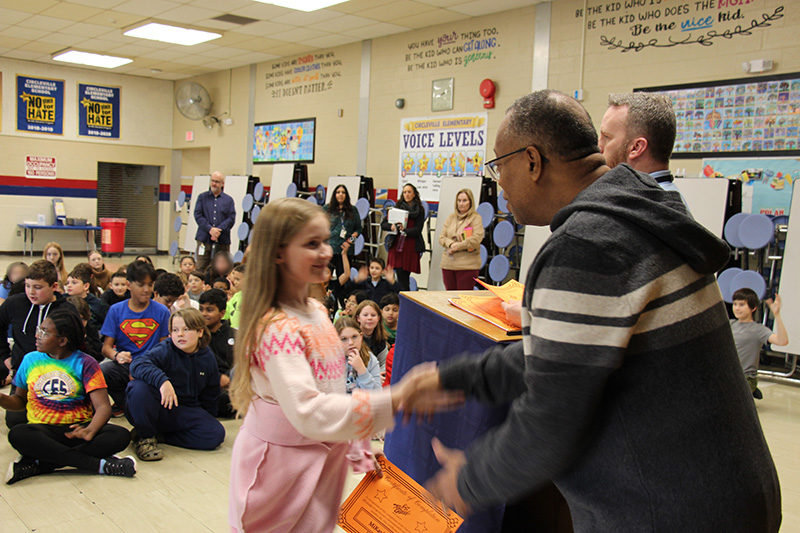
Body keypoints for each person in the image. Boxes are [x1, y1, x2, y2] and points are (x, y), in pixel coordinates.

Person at [403, 90, 781, 530]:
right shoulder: (640, 208)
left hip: (671, 510)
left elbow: (550, 422)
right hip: (730, 493)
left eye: (497, 164)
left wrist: (466, 481)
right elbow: (563, 356)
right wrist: (454, 378)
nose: (498, 182)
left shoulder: (587, 244)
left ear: (532, 160)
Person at [227, 198, 454, 533]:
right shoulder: (276, 327)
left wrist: (358, 446)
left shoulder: (317, 312)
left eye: (326, 241)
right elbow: (308, 410)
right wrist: (396, 398)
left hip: (320, 461)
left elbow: (336, 389)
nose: (327, 252)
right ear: (278, 253)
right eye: (312, 244)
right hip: (280, 469)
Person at [1, 309, 135, 484]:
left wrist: (91, 429)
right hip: (43, 430)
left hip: (78, 429)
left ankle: (43, 463)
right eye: (39, 330)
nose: (37, 335)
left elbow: (103, 407)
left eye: (44, 332)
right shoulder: (30, 360)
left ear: (62, 340)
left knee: (120, 435)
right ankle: (99, 465)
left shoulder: (86, 363)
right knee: (19, 434)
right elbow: (19, 402)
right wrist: (2, 399)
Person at [126, 308, 225, 461]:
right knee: (139, 388)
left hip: (183, 411)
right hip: (157, 408)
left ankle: (161, 436)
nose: (180, 334)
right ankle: (145, 437)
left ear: (200, 332)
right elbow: (137, 364)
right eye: (175, 330)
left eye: (186, 329)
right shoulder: (165, 349)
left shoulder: (207, 357)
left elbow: (210, 394)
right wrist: (162, 381)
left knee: (215, 434)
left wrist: (206, 419)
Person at [0, 260, 76, 428]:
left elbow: (76, 346)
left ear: (54, 286)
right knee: (15, 422)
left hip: (56, 375)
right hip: (23, 375)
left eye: (38, 287)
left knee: (57, 422)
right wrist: (5, 356)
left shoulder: (67, 311)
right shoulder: (15, 303)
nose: (31, 292)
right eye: (28, 286)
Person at [100, 260, 170, 414]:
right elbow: (106, 348)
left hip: (151, 365)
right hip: (125, 364)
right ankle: (126, 404)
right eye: (141, 285)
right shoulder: (116, 310)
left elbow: (165, 348)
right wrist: (117, 355)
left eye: (150, 285)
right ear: (128, 284)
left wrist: (143, 367)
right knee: (102, 371)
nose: (146, 290)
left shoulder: (162, 311)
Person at [599, 92, 682, 194]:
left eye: (607, 137)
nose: (599, 147)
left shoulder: (644, 205)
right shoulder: (668, 198)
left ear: (636, 147)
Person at [731, 289, 788, 399]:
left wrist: (777, 315)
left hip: (745, 377)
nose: (737, 308)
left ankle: (751, 389)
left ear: (753, 308)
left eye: (742, 305)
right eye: (735, 304)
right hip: (729, 374)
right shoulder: (730, 324)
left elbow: (782, 341)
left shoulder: (759, 330)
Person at [199, 288, 237, 417]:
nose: (204, 314)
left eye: (209, 310)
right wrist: (217, 378)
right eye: (201, 309)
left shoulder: (236, 335)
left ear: (222, 313)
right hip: (209, 385)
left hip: (233, 386)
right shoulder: (196, 337)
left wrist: (228, 379)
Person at [382, 183, 426, 292]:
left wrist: (404, 230)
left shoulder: (420, 210)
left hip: (410, 246)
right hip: (397, 246)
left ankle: (403, 300)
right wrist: (391, 226)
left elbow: (417, 230)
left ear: (414, 194)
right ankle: (400, 300)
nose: (407, 194)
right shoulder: (396, 208)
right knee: (400, 277)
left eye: (409, 192)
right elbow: (383, 224)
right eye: (405, 192)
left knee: (405, 278)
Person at [438, 188, 484, 290]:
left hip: (467, 266)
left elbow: (476, 239)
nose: (461, 204)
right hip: (448, 265)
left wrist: (458, 246)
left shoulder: (476, 218)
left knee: (462, 299)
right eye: (459, 201)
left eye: (464, 200)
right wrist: (450, 244)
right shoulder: (451, 218)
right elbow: (441, 237)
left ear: (470, 202)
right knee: (450, 298)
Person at [194, 172, 236, 272]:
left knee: (223, 268)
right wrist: (210, 229)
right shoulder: (202, 197)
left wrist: (218, 230)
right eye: (212, 181)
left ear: (222, 184)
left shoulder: (228, 200)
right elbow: (198, 215)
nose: (214, 184)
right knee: (201, 267)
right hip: (204, 239)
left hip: (222, 240)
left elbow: (231, 218)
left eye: (217, 182)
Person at [323, 184, 361, 281]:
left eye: (343, 192)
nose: (340, 195)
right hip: (329, 248)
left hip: (345, 249)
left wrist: (350, 241)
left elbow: (358, 229)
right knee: (325, 276)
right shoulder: (326, 209)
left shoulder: (353, 210)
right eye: (338, 192)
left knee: (344, 278)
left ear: (346, 195)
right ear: (334, 195)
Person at [335, 317, 382, 392]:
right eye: (344, 339)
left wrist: (362, 370)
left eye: (354, 337)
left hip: (364, 403)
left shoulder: (370, 359)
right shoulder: (329, 361)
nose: (351, 343)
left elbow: (378, 394)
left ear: (361, 336)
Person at [65, 264, 108, 331]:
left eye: (74, 283)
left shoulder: (97, 304)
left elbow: (108, 324)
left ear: (86, 286)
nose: (69, 285)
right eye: (67, 283)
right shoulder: (63, 300)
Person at [66, 296, 103, 363]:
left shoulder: (91, 329)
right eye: (77, 320)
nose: (80, 323)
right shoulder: (61, 331)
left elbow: (99, 355)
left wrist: (85, 339)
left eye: (83, 319)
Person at [354, 300, 388, 371]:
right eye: (365, 315)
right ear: (358, 318)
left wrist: (379, 375)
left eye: (373, 315)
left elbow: (384, 363)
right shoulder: (352, 338)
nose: (370, 318)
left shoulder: (380, 339)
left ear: (378, 318)